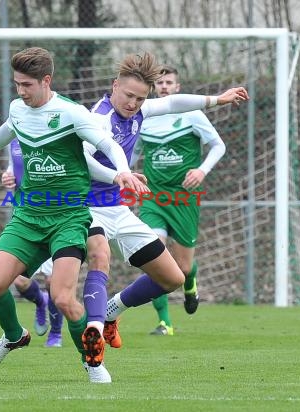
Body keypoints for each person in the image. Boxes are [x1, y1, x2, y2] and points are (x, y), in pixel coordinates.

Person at [0, 47, 148, 384]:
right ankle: (14, 336)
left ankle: (91, 361)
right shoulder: (18, 108)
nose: (21, 91)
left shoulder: (72, 113)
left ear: (46, 81)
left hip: (68, 218)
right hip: (28, 216)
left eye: (27, 85)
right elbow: (9, 127)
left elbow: (108, 145)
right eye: (17, 84)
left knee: (64, 299)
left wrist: (121, 172)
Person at [78, 52, 248, 353]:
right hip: (88, 209)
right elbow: (84, 162)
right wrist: (119, 175)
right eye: (129, 96)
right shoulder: (98, 118)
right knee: (99, 258)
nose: (134, 104)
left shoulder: (138, 112)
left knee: (173, 277)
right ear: (115, 86)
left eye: (141, 99)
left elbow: (172, 103)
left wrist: (218, 100)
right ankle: (92, 337)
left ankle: (111, 311)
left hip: (119, 209)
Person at [135, 65, 227, 336]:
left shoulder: (192, 115)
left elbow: (218, 146)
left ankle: (190, 282)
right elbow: (131, 152)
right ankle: (165, 322)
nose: (164, 86)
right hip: (153, 198)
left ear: (177, 87)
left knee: (183, 266)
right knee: (153, 258)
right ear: (153, 87)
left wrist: (201, 170)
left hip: (184, 198)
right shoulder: (143, 118)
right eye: (160, 82)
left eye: (169, 82)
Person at [2, 138, 63, 347]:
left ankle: (55, 334)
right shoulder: (14, 140)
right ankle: (40, 302)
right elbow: (14, 169)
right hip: (27, 218)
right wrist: (8, 176)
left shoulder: (56, 135)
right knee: (19, 281)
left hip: (56, 217)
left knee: (54, 281)